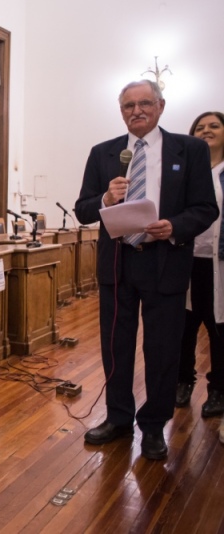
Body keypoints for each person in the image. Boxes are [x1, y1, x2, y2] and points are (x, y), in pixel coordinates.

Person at [75, 80, 218, 461]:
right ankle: (119, 418)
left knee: (162, 349)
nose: (135, 111)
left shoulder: (189, 150)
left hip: (165, 260)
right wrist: (106, 198)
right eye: (127, 106)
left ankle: (153, 426)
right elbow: (83, 209)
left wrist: (174, 227)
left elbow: (206, 208)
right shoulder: (104, 153)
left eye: (143, 104)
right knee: (115, 347)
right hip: (118, 262)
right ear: (120, 111)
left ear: (160, 106)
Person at [176, 111, 224, 419]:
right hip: (185, 259)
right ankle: (182, 381)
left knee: (219, 328)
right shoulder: (185, 172)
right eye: (200, 127)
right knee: (183, 326)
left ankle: (218, 388)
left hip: (219, 264)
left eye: (214, 126)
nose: (206, 131)